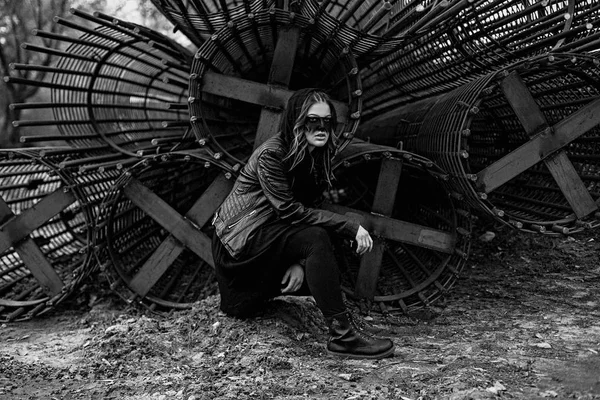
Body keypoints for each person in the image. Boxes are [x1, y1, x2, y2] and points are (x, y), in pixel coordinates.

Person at [211, 88, 395, 359]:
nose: (321, 127)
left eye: (327, 120)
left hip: (268, 241)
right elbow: (290, 212)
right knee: (319, 237)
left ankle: (345, 328)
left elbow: (310, 211)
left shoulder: (315, 156)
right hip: (240, 252)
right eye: (312, 120)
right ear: (296, 120)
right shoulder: (271, 155)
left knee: (324, 242)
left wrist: (298, 262)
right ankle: (343, 337)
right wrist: (351, 226)